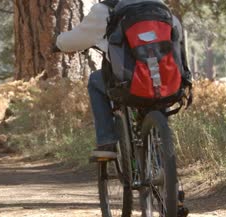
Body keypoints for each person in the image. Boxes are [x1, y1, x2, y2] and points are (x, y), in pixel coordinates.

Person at [54, 0, 183, 159]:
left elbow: (73, 40)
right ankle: (164, 159)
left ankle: (106, 141)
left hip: (128, 83)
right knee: (156, 91)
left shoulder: (106, 9)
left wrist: (59, 43)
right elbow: (178, 32)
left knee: (95, 80)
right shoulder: (157, 5)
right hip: (165, 80)